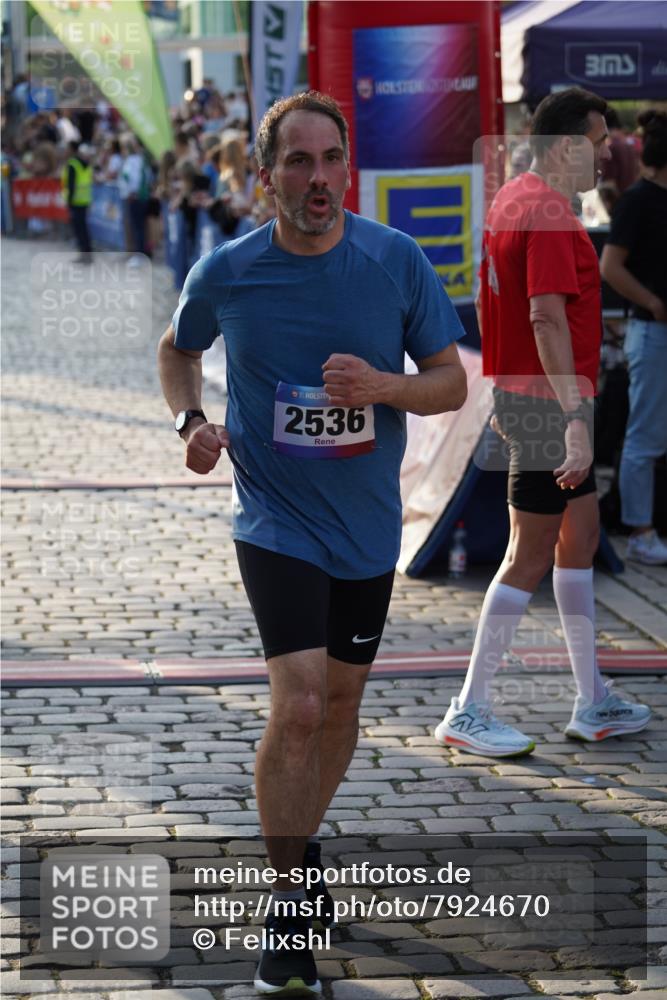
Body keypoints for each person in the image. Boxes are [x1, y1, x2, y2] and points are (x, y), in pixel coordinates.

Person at [158, 90, 467, 996]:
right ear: (266, 179)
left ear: (347, 167)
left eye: (329, 159)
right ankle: (286, 903)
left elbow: (448, 384)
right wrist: (191, 422)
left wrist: (380, 385)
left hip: (366, 525)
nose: (317, 178)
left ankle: (302, 838)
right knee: (297, 705)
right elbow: (176, 349)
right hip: (274, 516)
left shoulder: (393, 260)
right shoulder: (228, 270)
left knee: (338, 709)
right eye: (297, 162)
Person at [434, 87, 651, 759]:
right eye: (596, 139)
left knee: (577, 538)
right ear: (564, 146)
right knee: (527, 554)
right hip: (546, 405)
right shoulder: (549, 212)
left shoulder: (513, 198)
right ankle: (468, 709)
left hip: (536, 397)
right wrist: (571, 421)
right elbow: (543, 316)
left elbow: (490, 297)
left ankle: (591, 700)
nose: (608, 149)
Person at [600, 110, 667, 564]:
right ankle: (641, 531)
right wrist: (655, 303)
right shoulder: (639, 201)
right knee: (645, 436)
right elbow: (610, 267)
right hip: (653, 333)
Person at [61, 140, 93, 262]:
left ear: (72, 149)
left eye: (67, 148)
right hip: (85, 199)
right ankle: (87, 253)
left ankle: (84, 255)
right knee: (84, 229)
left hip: (75, 201)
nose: (65, 151)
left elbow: (71, 184)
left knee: (79, 230)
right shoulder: (85, 163)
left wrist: (69, 201)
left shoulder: (73, 164)